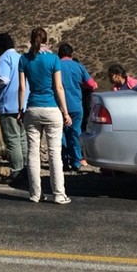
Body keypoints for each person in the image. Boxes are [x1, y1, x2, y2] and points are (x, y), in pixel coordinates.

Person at [17, 27, 73, 204]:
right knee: (54, 153)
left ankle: (35, 194)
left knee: (33, 153)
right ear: (46, 40)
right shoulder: (53, 59)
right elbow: (58, 88)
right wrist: (65, 112)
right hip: (51, 109)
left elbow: (22, 88)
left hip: (32, 109)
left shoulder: (24, 59)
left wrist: (21, 109)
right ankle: (58, 194)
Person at [0, 32, 28, 185]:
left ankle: (16, 171)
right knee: (22, 139)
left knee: (12, 140)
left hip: (8, 105)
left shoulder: (4, 59)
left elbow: (3, 79)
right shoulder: (21, 57)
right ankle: (27, 170)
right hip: (22, 104)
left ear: (0, 46)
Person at [57, 42, 97, 171]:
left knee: (61, 134)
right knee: (75, 133)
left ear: (59, 54)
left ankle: (63, 161)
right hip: (75, 105)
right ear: (71, 54)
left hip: (59, 107)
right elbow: (93, 85)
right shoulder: (78, 67)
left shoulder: (55, 66)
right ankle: (76, 161)